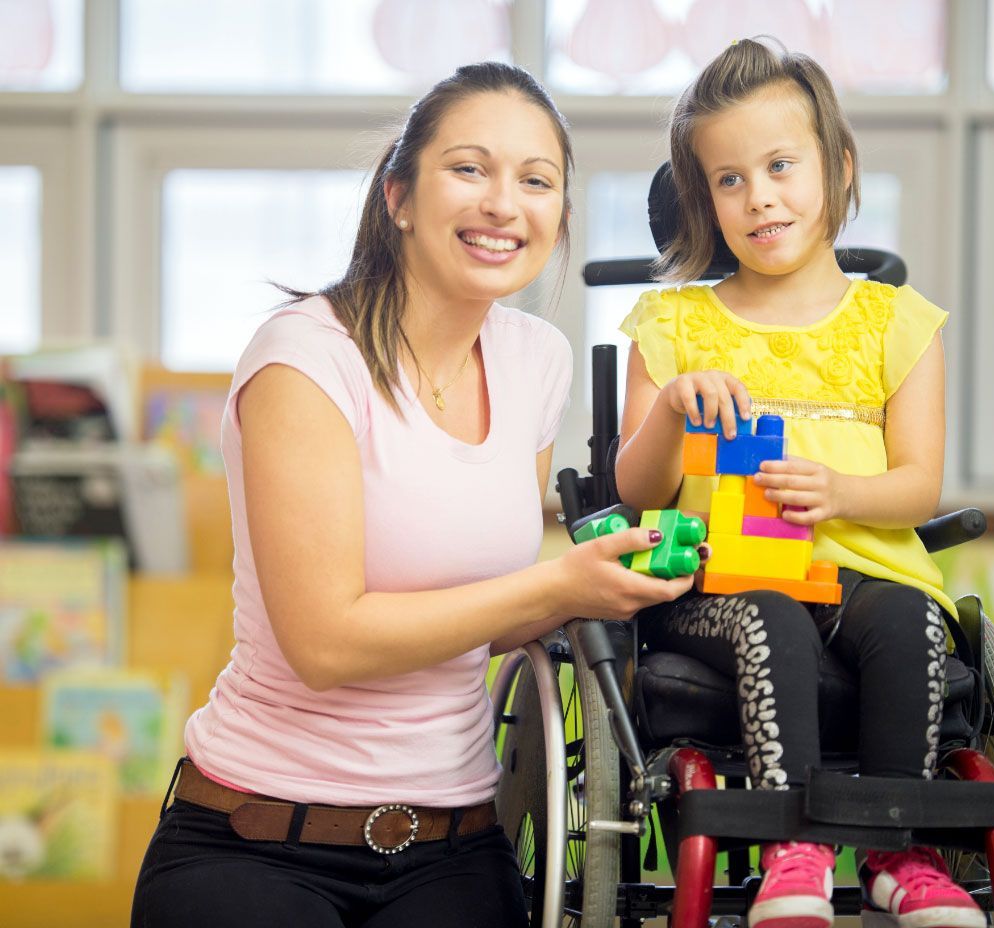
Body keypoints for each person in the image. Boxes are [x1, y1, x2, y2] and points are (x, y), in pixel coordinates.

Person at [130, 61, 693, 928]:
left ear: (560, 217)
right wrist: (557, 586)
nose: (504, 204)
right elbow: (325, 641)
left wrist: (606, 583)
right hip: (259, 836)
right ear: (397, 195)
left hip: (454, 848)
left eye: (536, 181)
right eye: (469, 169)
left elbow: (478, 610)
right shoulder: (306, 358)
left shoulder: (532, 361)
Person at [614, 39, 986, 928]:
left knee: (907, 614)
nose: (760, 197)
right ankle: (796, 849)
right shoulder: (673, 322)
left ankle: (903, 852)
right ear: (703, 197)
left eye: (781, 166)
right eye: (729, 179)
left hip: (867, 575)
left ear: (838, 166)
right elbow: (634, 494)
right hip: (718, 581)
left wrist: (841, 494)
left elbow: (918, 487)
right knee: (771, 612)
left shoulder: (900, 322)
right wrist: (669, 407)